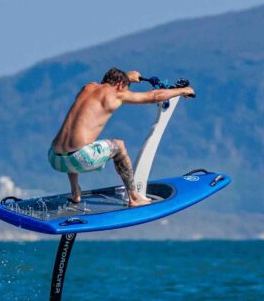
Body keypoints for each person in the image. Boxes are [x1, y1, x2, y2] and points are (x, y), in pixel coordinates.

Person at [48, 68, 195, 207]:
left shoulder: (89, 87)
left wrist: (127, 77)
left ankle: (75, 193)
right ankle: (134, 198)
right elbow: (155, 96)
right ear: (119, 85)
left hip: (55, 158)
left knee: (76, 140)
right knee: (119, 146)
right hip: (79, 159)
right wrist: (183, 90)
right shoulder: (116, 94)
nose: (127, 91)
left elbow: (110, 82)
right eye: (126, 87)